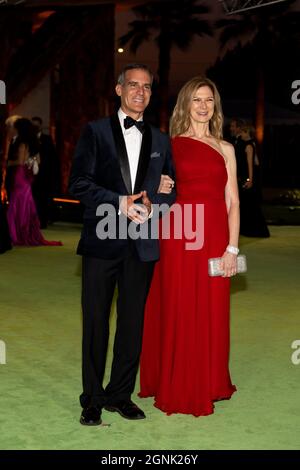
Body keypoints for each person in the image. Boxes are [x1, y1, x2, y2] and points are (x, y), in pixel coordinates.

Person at [69, 63, 175, 426]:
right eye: (133, 85)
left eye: (146, 87)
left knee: (132, 323)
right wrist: (119, 202)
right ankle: (92, 399)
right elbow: (78, 184)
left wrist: (153, 205)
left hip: (142, 245)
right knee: (96, 323)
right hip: (101, 242)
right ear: (119, 90)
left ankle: (120, 395)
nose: (139, 92)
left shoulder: (161, 140)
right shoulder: (95, 132)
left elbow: (169, 190)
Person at [139, 76, 239, 417]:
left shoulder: (226, 149)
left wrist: (232, 249)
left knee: (211, 307)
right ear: (186, 105)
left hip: (213, 236)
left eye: (208, 100)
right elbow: (155, 192)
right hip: (179, 234)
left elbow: (233, 203)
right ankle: (175, 380)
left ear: (215, 106)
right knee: (180, 305)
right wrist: (160, 184)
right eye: (196, 99)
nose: (203, 106)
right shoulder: (169, 145)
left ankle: (210, 381)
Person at [6, 118, 62, 246]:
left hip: (19, 174)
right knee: (25, 203)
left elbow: (20, 162)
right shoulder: (33, 142)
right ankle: (24, 233)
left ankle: (15, 233)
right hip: (27, 175)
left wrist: (8, 163)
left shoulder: (22, 143)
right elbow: (38, 161)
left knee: (16, 203)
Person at [239, 123, 270, 237]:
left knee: (250, 205)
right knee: (250, 204)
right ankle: (249, 228)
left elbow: (250, 164)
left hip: (248, 178)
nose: (240, 133)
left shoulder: (248, 146)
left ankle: (253, 229)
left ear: (247, 133)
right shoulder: (251, 144)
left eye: (242, 132)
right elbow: (256, 162)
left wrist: (250, 179)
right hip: (251, 178)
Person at [31, 117, 59, 228]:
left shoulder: (47, 139)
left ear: (40, 126)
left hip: (44, 175)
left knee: (43, 199)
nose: (35, 128)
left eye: (37, 126)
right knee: (32, 198)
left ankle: (42, 221)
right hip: (31, 175)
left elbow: (52, 158)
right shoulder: (29, 139)